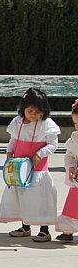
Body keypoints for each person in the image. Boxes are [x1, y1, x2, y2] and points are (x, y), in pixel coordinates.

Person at [0, 88, 60, 242]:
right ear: (23, 108)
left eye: (38, 111)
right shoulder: (17, 122)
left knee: (40, 199)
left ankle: (44, 230)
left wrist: (40, 154)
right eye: (30, 110)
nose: (34, 114)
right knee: (22, 197)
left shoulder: (46, 124)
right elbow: (12, 140)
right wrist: (9, 153)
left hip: (37, 170)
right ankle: (25, 226)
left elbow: (53, 144)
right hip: (19, 169)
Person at [56, 100, 78, 242]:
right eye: (76, 124)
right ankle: (68, 230)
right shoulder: (75, 138)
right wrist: (70, 167)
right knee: (73, 204)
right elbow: (70, 155)